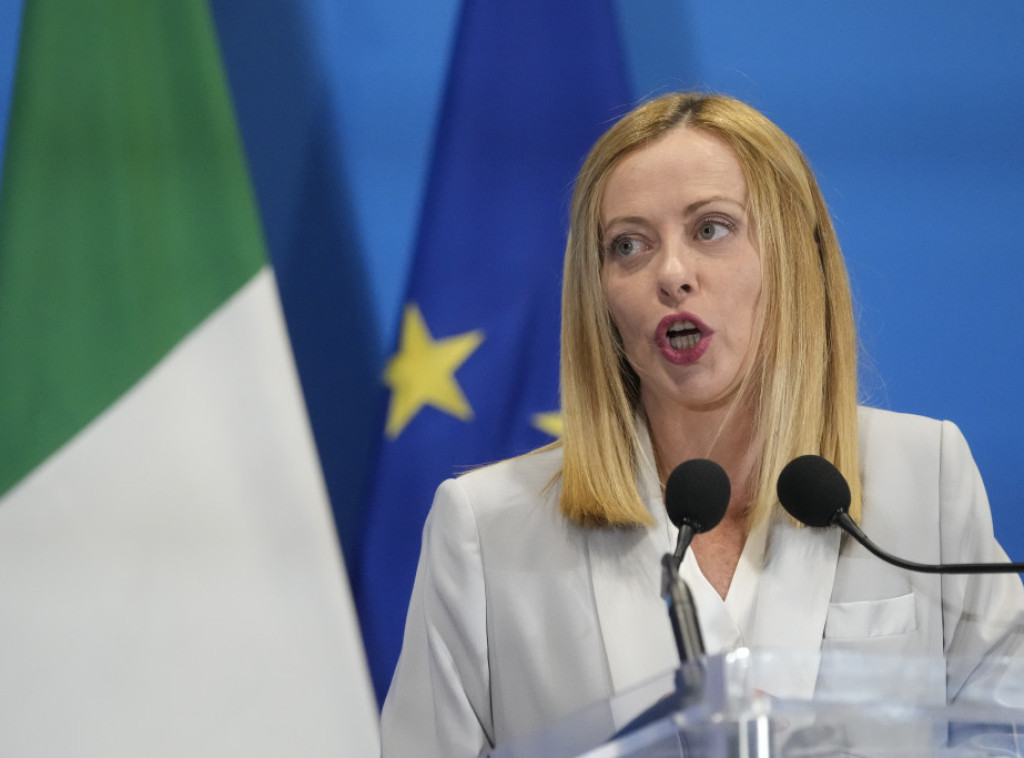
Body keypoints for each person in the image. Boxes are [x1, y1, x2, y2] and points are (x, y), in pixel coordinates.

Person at [378, 92, 1024, 757]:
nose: (671, 274)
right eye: (628, 245)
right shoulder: (488, 528)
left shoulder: (924, 474)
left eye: (711, 229)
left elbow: (1006, 735)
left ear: (793, 256)